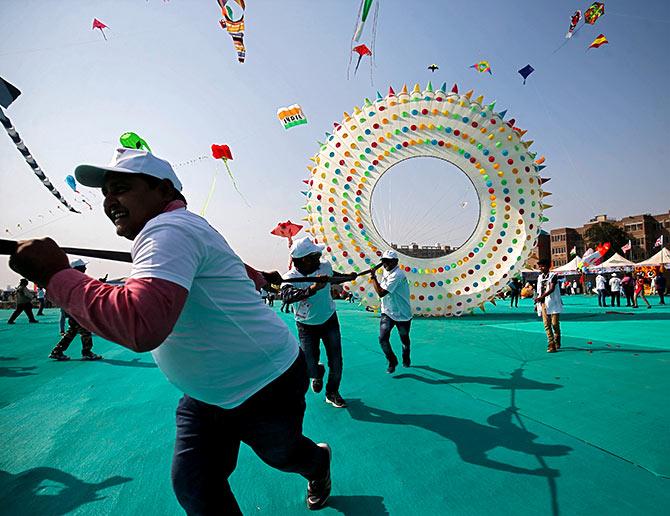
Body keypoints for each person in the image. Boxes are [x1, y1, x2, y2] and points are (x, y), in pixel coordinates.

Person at [8, 148, 331, 513]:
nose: (109, 200)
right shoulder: (187, 226)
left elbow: (140, 325)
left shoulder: (167, 229)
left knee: (282, 455)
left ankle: (318, 463)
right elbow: (230, 265)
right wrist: (259, 275)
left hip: (262, 384)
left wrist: (54, 275)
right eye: (106, 193)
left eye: (121, 188)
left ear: (163, 191)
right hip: (207, 393)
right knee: (196, 484)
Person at [281, 237, 351, 409]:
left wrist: (348, 277)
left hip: (329, 320)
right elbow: (287, 296)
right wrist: (312, 288)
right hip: (306, 326)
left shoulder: (324, 267)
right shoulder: (290, 277)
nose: (320, 257)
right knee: (309, 365)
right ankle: (316, 373)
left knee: (336, 360)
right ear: (305, 259)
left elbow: (333, 277)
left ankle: (332, 392)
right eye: (316, 255)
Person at [48, 259, 103, 361]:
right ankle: (87, 352)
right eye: (83, 267)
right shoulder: (78, 280)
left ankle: (57, 351)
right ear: (79, 269)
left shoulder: (70, 280)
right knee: (85, 332)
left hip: (72, 311)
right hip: (78, 311)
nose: (85, 268)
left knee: (72, 332)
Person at [369, 250, 412, 373]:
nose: (385, 263)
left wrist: (373, 277)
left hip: (402, 314)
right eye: (383, 261)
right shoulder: (385, 270)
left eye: (388, 261)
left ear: (396, 262)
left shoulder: (398, 275)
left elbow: (381, 293)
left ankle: (406, 354)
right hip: (387, 312)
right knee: (382, 338)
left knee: (404, 338)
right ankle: (392, 361)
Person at [535, 259, 563, 353]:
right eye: (540, 266)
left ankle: (557, 339)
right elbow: (538, 290)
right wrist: (537, 301)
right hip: (543, 303)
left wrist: (541, 297)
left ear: (548, 267)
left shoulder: (553, 276)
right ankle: (551, 343)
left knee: (554, 324)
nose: (541, 268)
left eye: (543, 266)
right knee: (546, 324)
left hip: (553, 303)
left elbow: (551, 289)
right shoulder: (539, 277)